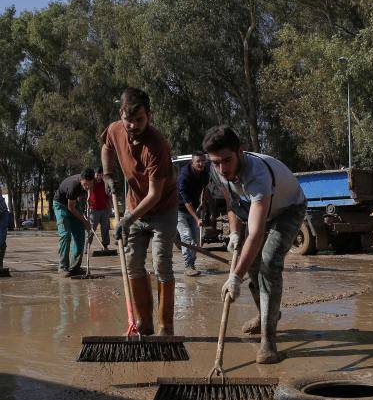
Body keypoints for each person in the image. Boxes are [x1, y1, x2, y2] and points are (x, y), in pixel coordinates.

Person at [203, 125, 307, 364]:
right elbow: (232, 202)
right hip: (257, 210)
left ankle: (269, 342)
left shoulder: (258, 174)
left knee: (269, 262)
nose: (221, 168)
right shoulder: (219, 170)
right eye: (215, 163)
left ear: (241, 151)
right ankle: (267, 314)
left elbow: (257, 234)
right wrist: (234, 233)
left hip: (289, 209)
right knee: (252, 265)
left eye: (226, 161)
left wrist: (235, 278)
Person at [100, 87, 178, 336]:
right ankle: (144, 322)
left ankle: (166, 326)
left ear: (150, 116)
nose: (133, 125)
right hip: (134, 208)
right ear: (120, 114)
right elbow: (107, 147)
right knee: (132, 263)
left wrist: (127, 218)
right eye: (128, 120)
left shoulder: (157, 146)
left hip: (162, 209)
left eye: (139, 120)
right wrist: (108, 174)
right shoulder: (115, 129)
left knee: (161, 263)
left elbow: (154, 195)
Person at [54, 168, 95, 277]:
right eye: (85, 184)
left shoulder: (89, 182)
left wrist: (89, 195)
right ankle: (63, 267)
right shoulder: (73, 186)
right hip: (61, 205)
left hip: (73, 203)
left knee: (80, 234)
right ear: (81, 180)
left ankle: (75, 267)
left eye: (90, 184)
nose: (87, 187)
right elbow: (71, 208)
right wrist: (85, 221)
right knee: (65, 235)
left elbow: (90, 187)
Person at [177, 152, 210, 276]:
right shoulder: (184, 176)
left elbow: (205, 187)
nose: (201, 164)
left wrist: (203, 202)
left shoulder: (205, 172)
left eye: (203, 161)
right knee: (186, 237)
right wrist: (197, 218)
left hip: (193, 208)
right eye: (198, 162)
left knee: (196, 240)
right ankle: (188, 266)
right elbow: (186, 202)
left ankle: (192, 264)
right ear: (192, 162)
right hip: (178, 209)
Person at [88, 167, 111, 250]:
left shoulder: (104, 183)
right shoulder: (91, 183)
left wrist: (109, 206)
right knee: (91, 229)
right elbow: (87, 193)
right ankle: (87, 246)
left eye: (100, 175)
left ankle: (105, 245)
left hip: (104, 209)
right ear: (95, 174)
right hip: (94, 210)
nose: (99, 177)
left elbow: (107, 196)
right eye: (97, 175)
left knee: (105, 228)